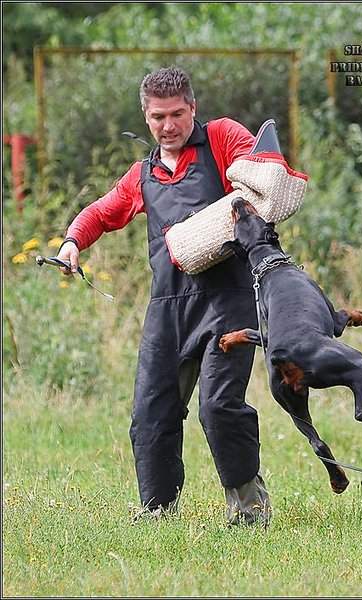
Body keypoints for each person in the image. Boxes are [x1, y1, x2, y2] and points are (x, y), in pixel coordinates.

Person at [57, 66, 272, 525]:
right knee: (150, 413)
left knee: (218, 406)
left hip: (228, 300)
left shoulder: (220, 139)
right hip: (168, 308)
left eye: (177, 114)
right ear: (146, 114)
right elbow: (103, 211)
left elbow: (260, 168)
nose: (168, 126)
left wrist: (257, 181)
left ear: (193, 108)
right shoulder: (143, 174)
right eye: (158, 117)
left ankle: (249, 506)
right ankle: (157, 510)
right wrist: (73, 241)